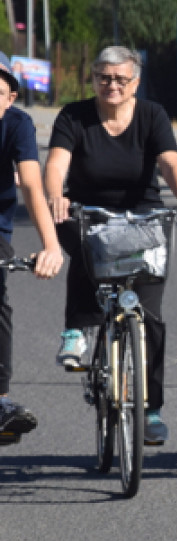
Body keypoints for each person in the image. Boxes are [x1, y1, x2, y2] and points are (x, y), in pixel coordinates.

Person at [44, 46, 177, 446]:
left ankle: (150, 409)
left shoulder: (151, 115)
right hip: (87, 211)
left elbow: (170, 163)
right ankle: (78, 329)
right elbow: (56, 164)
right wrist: (55, 196)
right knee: (87, 244)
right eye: (104, 77)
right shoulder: (74, 116)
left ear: (135, 82)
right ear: (94, 78)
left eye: (120, 78)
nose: (111, 84)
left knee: (149, 316)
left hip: (142, 217)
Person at [0, 52, 63, 444]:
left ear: (10, 98)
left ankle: (0, 399)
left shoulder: (18, 126)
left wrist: (51, 245)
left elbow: (30, 184)